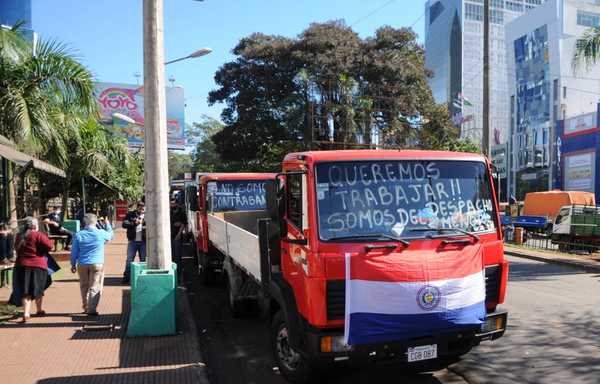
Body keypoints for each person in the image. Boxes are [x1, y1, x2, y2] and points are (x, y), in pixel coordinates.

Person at [70, 213, 113, 316]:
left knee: (84, 286)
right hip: (97, 263)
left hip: (82, 263)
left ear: (85, 222)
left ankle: (85, 307)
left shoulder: (79, 234)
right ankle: (92, 309)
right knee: (95, 286)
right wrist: (107, 224)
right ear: (96, 222)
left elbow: (74, 252)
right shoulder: (101, 233)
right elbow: (111, 235)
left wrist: (73, 264)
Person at [13, 217, 53, 323]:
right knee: (38, 288)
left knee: (25, 290)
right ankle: (39, 310)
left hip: (21, 265)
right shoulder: (38, 235)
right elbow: (50, 246)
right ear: (35, 225)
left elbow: (16, 248)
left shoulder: (19, 236)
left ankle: (26, 313)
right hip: (38, 265)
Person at [122, 202, 146, 283]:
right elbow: (124, 224)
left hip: (144, 241)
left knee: (143, 260)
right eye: (141, 208)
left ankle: (142, 277)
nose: (142, 210)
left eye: (143, 209)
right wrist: (134, 223)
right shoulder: (130, 214)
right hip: (133, 241)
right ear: (137, 208)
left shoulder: (148, 216)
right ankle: (126, 277)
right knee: (129, 259)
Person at [170, 198, 187, 277]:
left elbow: (183, 224)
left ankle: (178, 274)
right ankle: (172, 272)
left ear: (177, 204)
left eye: (173, 204)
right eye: (171, 204)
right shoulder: (168, 211)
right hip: (170, 236)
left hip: (177, 236)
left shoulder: (181, 212)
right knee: (171, 255)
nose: (172, 205)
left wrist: (178, 235)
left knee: (177, 256)